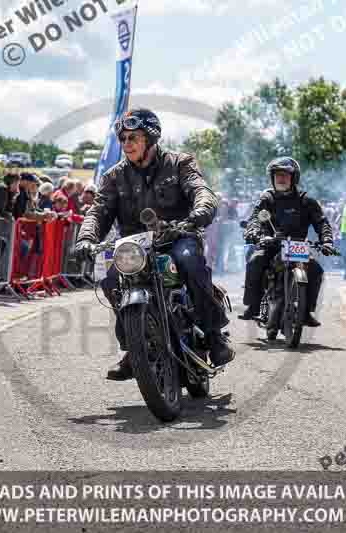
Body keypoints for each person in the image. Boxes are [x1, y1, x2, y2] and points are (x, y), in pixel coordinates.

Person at [75, 108, 233, 381]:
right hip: (135, 247)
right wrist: (86, 239)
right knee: (111, 281)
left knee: (190, 263)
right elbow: (98, 211)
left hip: (178, 236)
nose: (127, 144)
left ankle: (213, 334)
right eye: (123, 138)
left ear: (150, 137)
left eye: (133, 137)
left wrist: (200, 211)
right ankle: (135, 348)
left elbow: (200, 190)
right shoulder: (114, 176)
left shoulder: (180, 163)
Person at [239, 157, 336, 325]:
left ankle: (305, 311)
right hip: (271, 245)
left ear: (294, 178)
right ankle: (253, 305)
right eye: (277, 175)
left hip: (297, 246)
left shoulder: (306, 201)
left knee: (316, 270)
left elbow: (321, 222)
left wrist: (327, 241)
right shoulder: (267, 198)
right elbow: (255, 218)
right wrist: (255, 233)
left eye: (285, 175)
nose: (280, 178)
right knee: (255, 260)